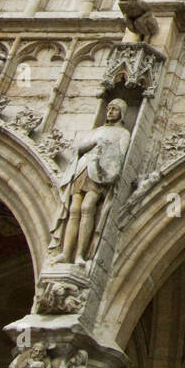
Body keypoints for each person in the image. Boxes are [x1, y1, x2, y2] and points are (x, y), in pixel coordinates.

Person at [54, 100, 132, 264]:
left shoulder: (123, 133)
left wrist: (105, 155)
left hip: (100, 173)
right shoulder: (97, 130)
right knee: (74, 209)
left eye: (115, 110)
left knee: (88, 207)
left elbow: (120, 156)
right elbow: (80, 148)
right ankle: (66, 253)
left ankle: (80, 255)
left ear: (122, 114)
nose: (110, 112)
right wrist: (95, 143)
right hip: (84, 168)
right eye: (109, 108)